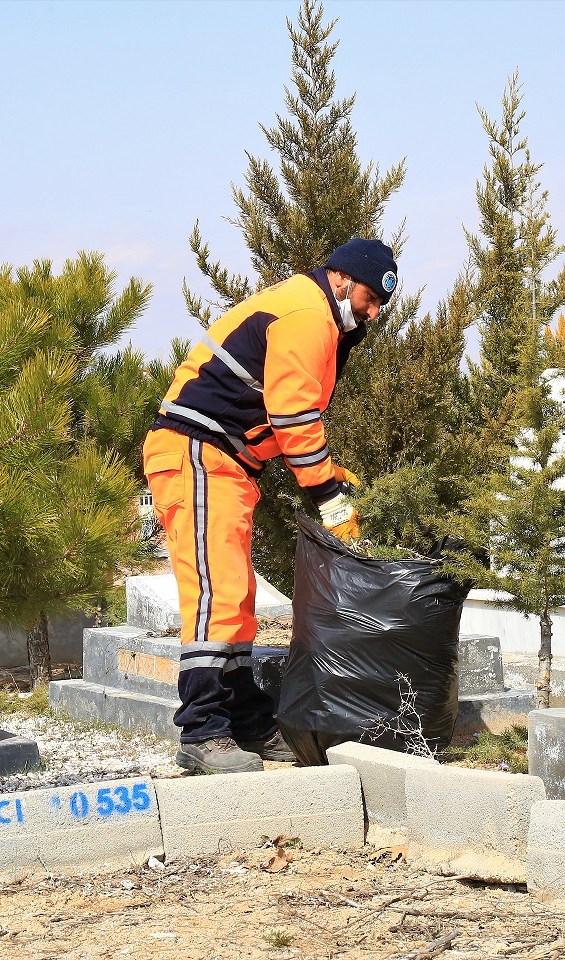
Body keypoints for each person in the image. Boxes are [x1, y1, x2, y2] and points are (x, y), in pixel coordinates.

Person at [142, 238, 397, 774]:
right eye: (371, 298)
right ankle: (202, 730)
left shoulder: (311, 313)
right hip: (197, 453)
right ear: (342, 279)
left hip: (223, 462)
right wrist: (328, 495)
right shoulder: (308, 316)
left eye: (380, 305)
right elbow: (293, 416)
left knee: (236, 596)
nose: (373, 314)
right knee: (216, 593)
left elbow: (286, 415)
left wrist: (329, 473)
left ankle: (247, 723)